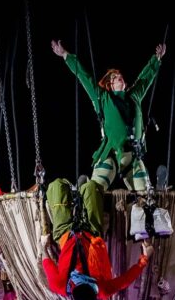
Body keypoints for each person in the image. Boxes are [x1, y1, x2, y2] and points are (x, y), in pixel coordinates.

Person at [50, 39, 166, 193]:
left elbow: (145, 78)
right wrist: (66, 55)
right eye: (115, 77)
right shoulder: (103, 98)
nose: (119, 76)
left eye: (120, 75)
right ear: (110, 85)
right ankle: (82, 187)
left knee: (145, 195)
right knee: (94, 190)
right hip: (111, 154)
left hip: (133, 157)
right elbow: (85, 77)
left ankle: (157, 189)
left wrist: (157, 59)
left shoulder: (134, 96)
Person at [41, 178, 152, 300]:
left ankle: (73, 193)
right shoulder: (103, 290)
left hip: (65, 234)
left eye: (79, 280)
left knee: (57, 186)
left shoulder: (59, 285)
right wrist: (144, 260)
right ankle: (82, 192)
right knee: (91, 187)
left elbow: (47, 262)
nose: (82, 278)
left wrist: (43, 247)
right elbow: (125, 281)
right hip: (91, 233)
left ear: (73, 286)